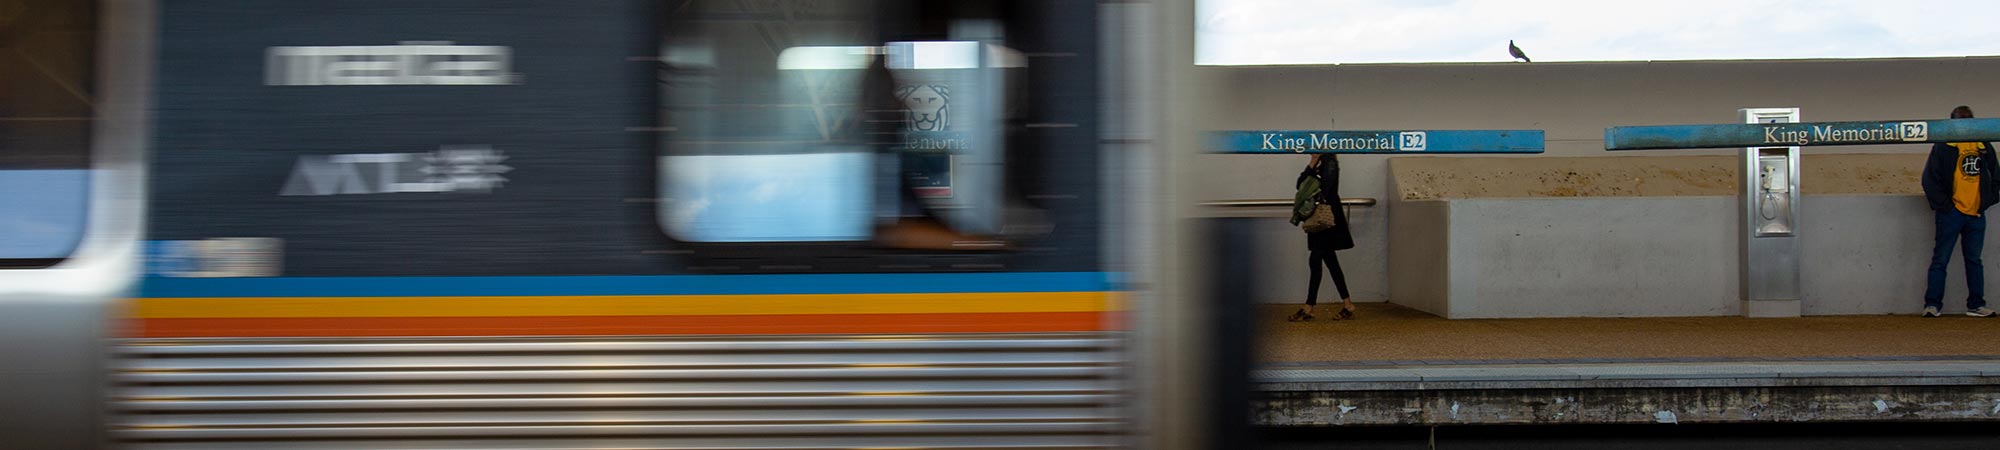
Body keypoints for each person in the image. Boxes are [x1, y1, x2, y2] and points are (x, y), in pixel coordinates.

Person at [1921, 105, 2000, 318]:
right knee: (1941, 259)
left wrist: (1987, 201)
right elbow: (1929, 179)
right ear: (1952, 124)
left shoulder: (1983, 145)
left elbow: (1995, 175)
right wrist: (1946, 206)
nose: (1965, 127)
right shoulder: (1943, 146)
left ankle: (1976, 303)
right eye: (1960, 122)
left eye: (1969, 122)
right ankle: (1932, 304)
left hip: (1976, 213)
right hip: (1951, 213)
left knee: (1974, 260)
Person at [1289, 154, 1356, 321]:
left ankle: (1309, 307)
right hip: (1320, 221)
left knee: (1316, 260)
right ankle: (1347, 304)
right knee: (1330, 262)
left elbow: (1323, 188)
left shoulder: (1330, 163)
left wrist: (1312, 170)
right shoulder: (1318, 163)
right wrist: (1312, 163)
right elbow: (1300, 184)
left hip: (1326, 219)